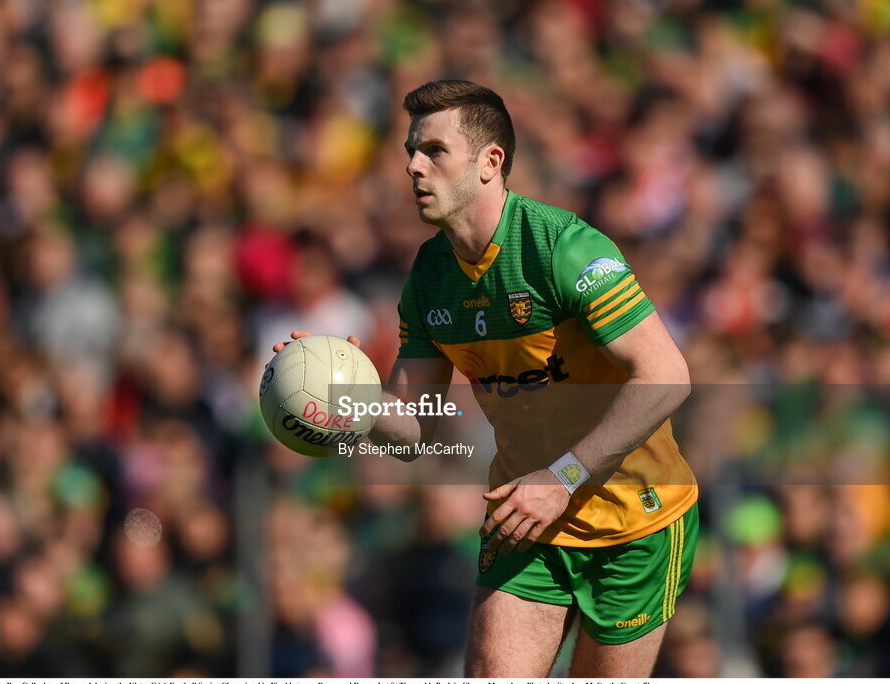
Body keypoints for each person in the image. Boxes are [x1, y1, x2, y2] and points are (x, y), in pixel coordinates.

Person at [273, 79, 697, 677]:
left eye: (434, 151)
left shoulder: (563, 248)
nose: (413, 167)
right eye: (410, 152)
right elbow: (413, 429)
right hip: (527, 516)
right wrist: (351, 398)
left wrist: (563, 476)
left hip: (637, 519)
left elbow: (668, 374)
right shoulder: (429, 276)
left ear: (489, 162)